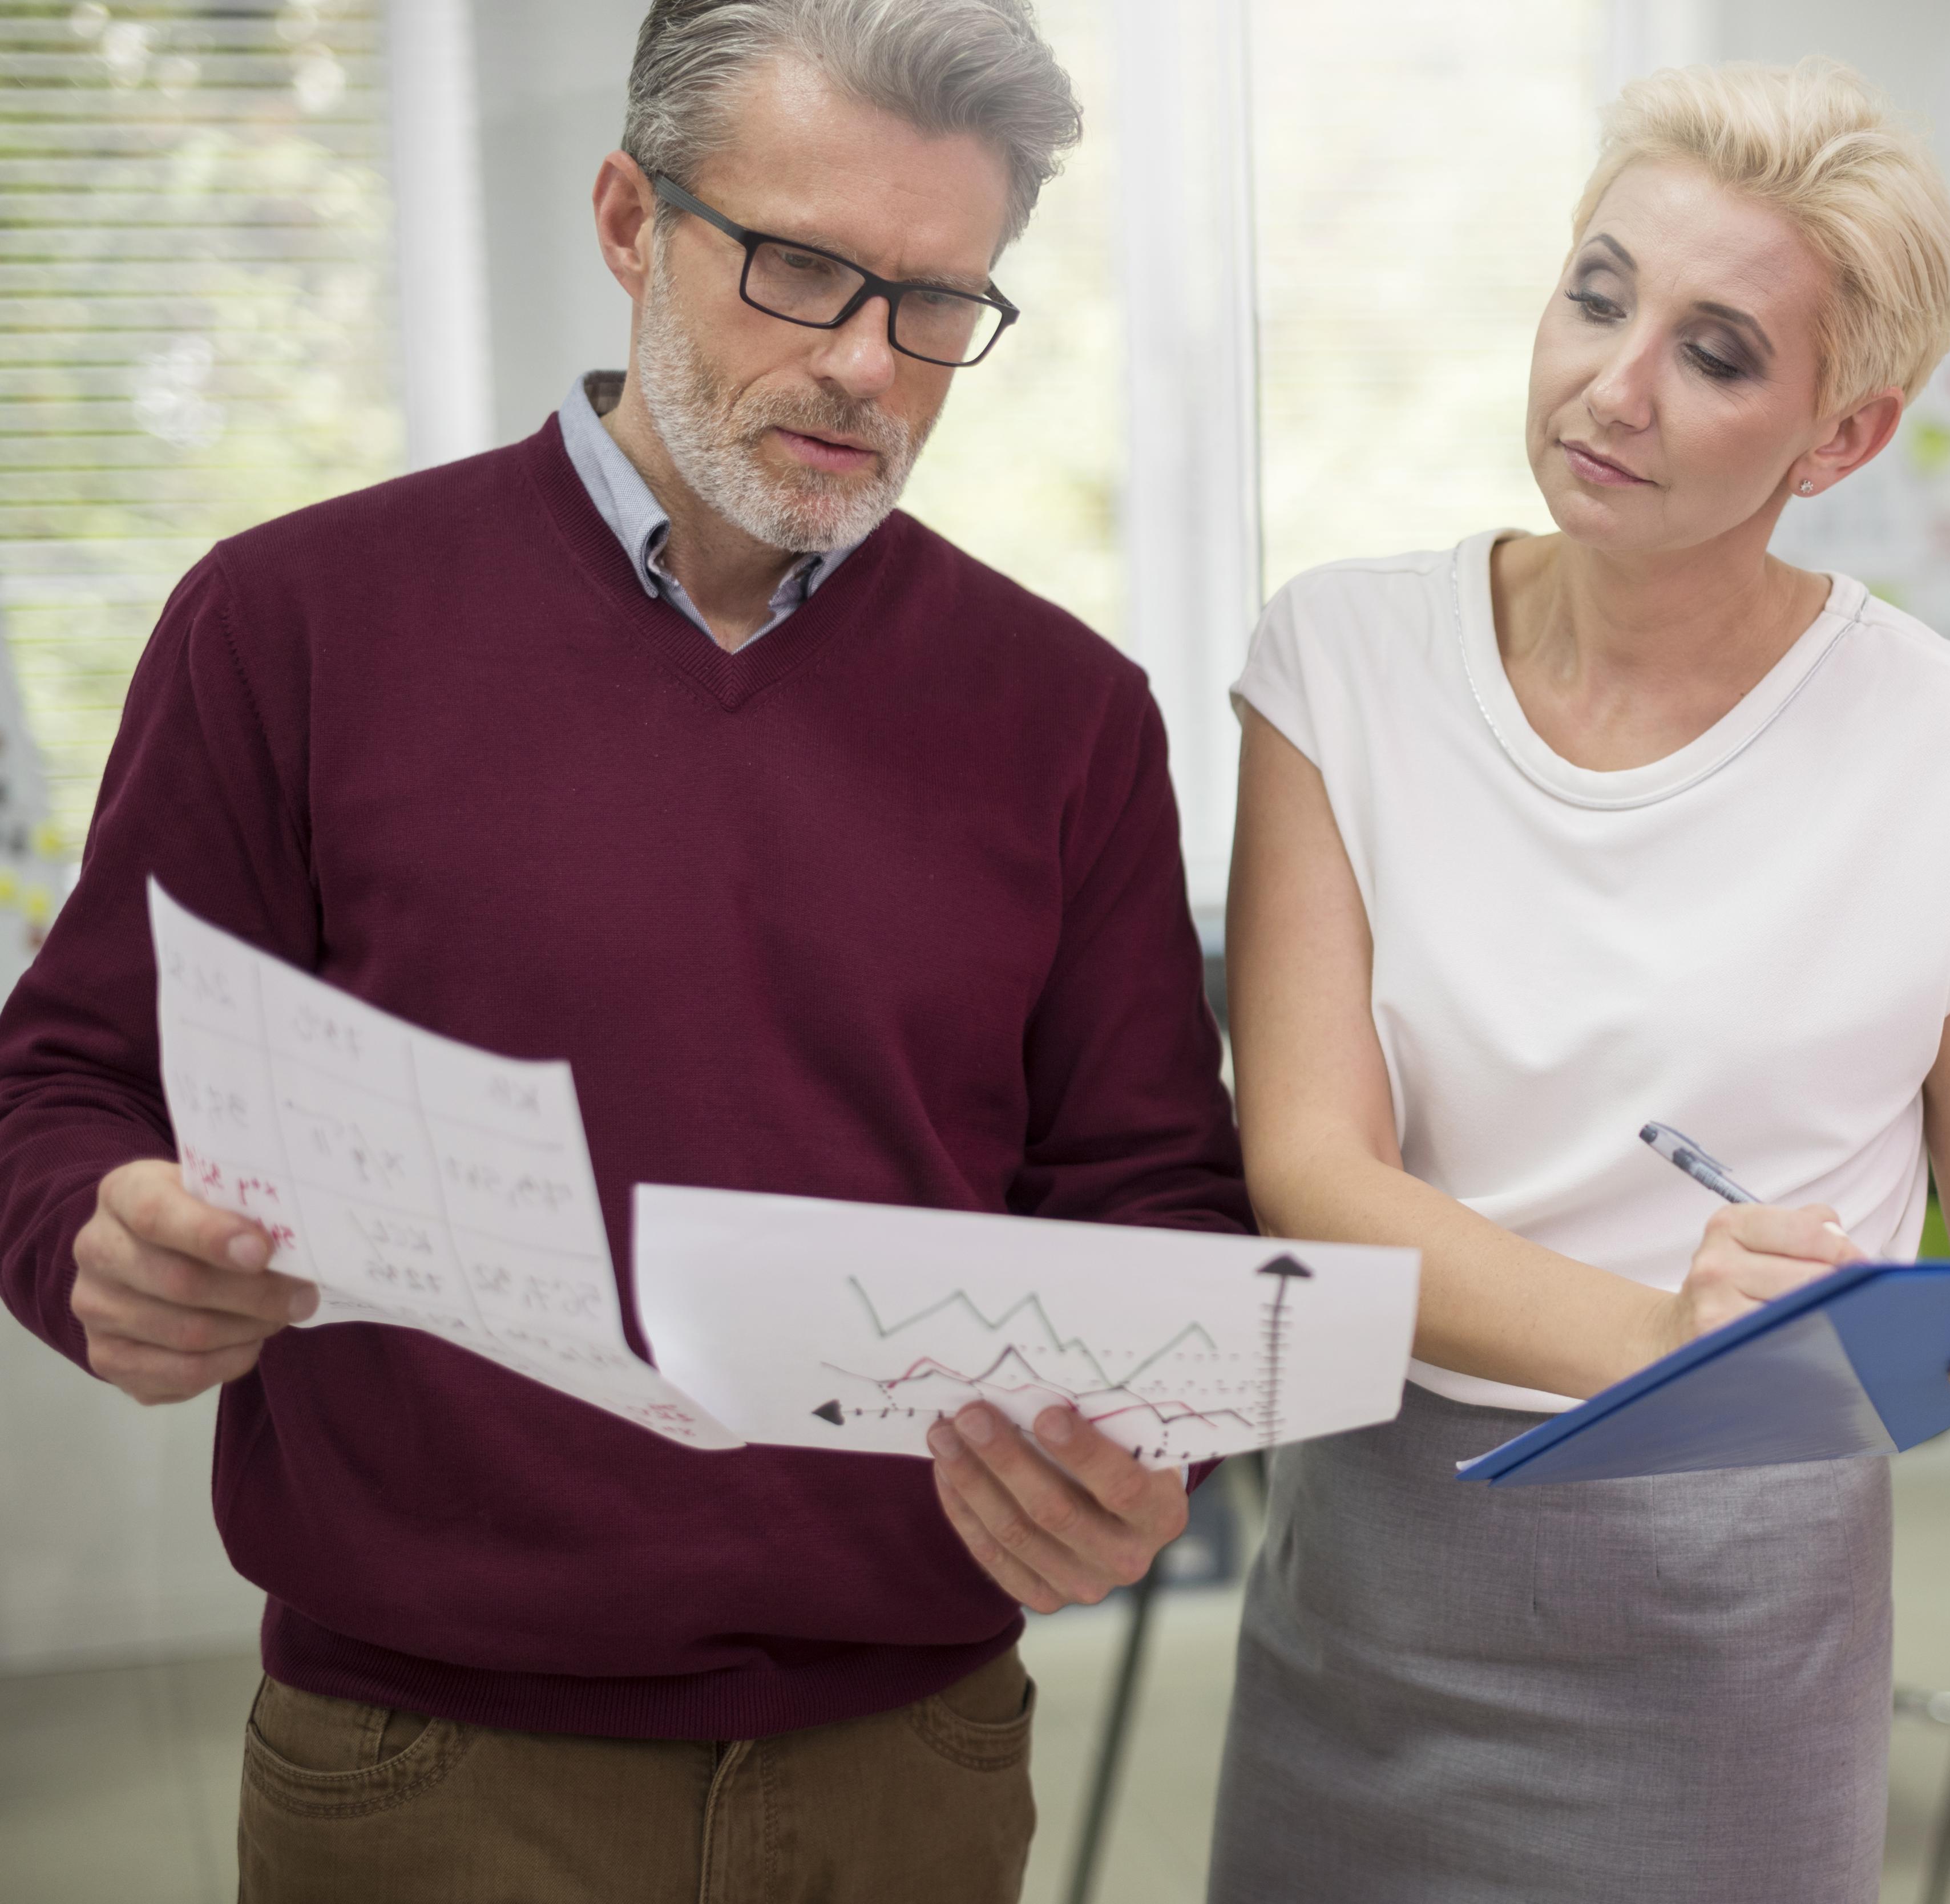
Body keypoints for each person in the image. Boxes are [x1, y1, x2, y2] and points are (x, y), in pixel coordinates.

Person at [0, 3, 1238, 1899]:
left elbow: (1150, 1189)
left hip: (917, 1753)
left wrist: (1149, 1450)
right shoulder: (289, 626)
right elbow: (65, 1082)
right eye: (801, 267)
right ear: (625, 219)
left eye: (936, 305)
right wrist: (97, 1235)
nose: (863, 366)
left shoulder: (1067, 714)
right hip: (424, 1758)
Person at [1209, 57, 1950, 1903]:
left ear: (1844, 438)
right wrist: (1668, 1336)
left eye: (1718, 352)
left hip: (1743, 1623)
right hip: (1381, 1580)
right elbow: (1313, 1171)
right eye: (1598, 293)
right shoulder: (1338, 660)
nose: (1613, 384)